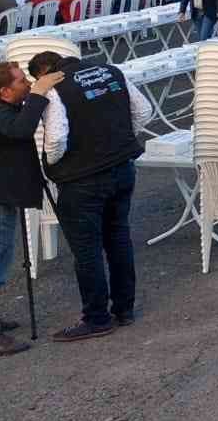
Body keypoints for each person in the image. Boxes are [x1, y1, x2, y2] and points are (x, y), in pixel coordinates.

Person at [27, 50, 152, 342]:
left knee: (87, 250)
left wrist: (54, 165)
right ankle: (124, 309)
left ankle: (97, 318)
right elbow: (143, 111)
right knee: (118, 237)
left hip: (82, 179)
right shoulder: (111, 70)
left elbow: (56, 139)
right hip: (122, 167)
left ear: (44, 72)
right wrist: (118, 141)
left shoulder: (55, 88)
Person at [0, 62, 65, 355]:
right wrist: (38, 94)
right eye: (21, 82)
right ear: (3, 92)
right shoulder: (3, 114)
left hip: (6, 193)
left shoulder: (6, 109)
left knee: (3, 256)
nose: (27, 84)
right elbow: (21, 130)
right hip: (2, 195)